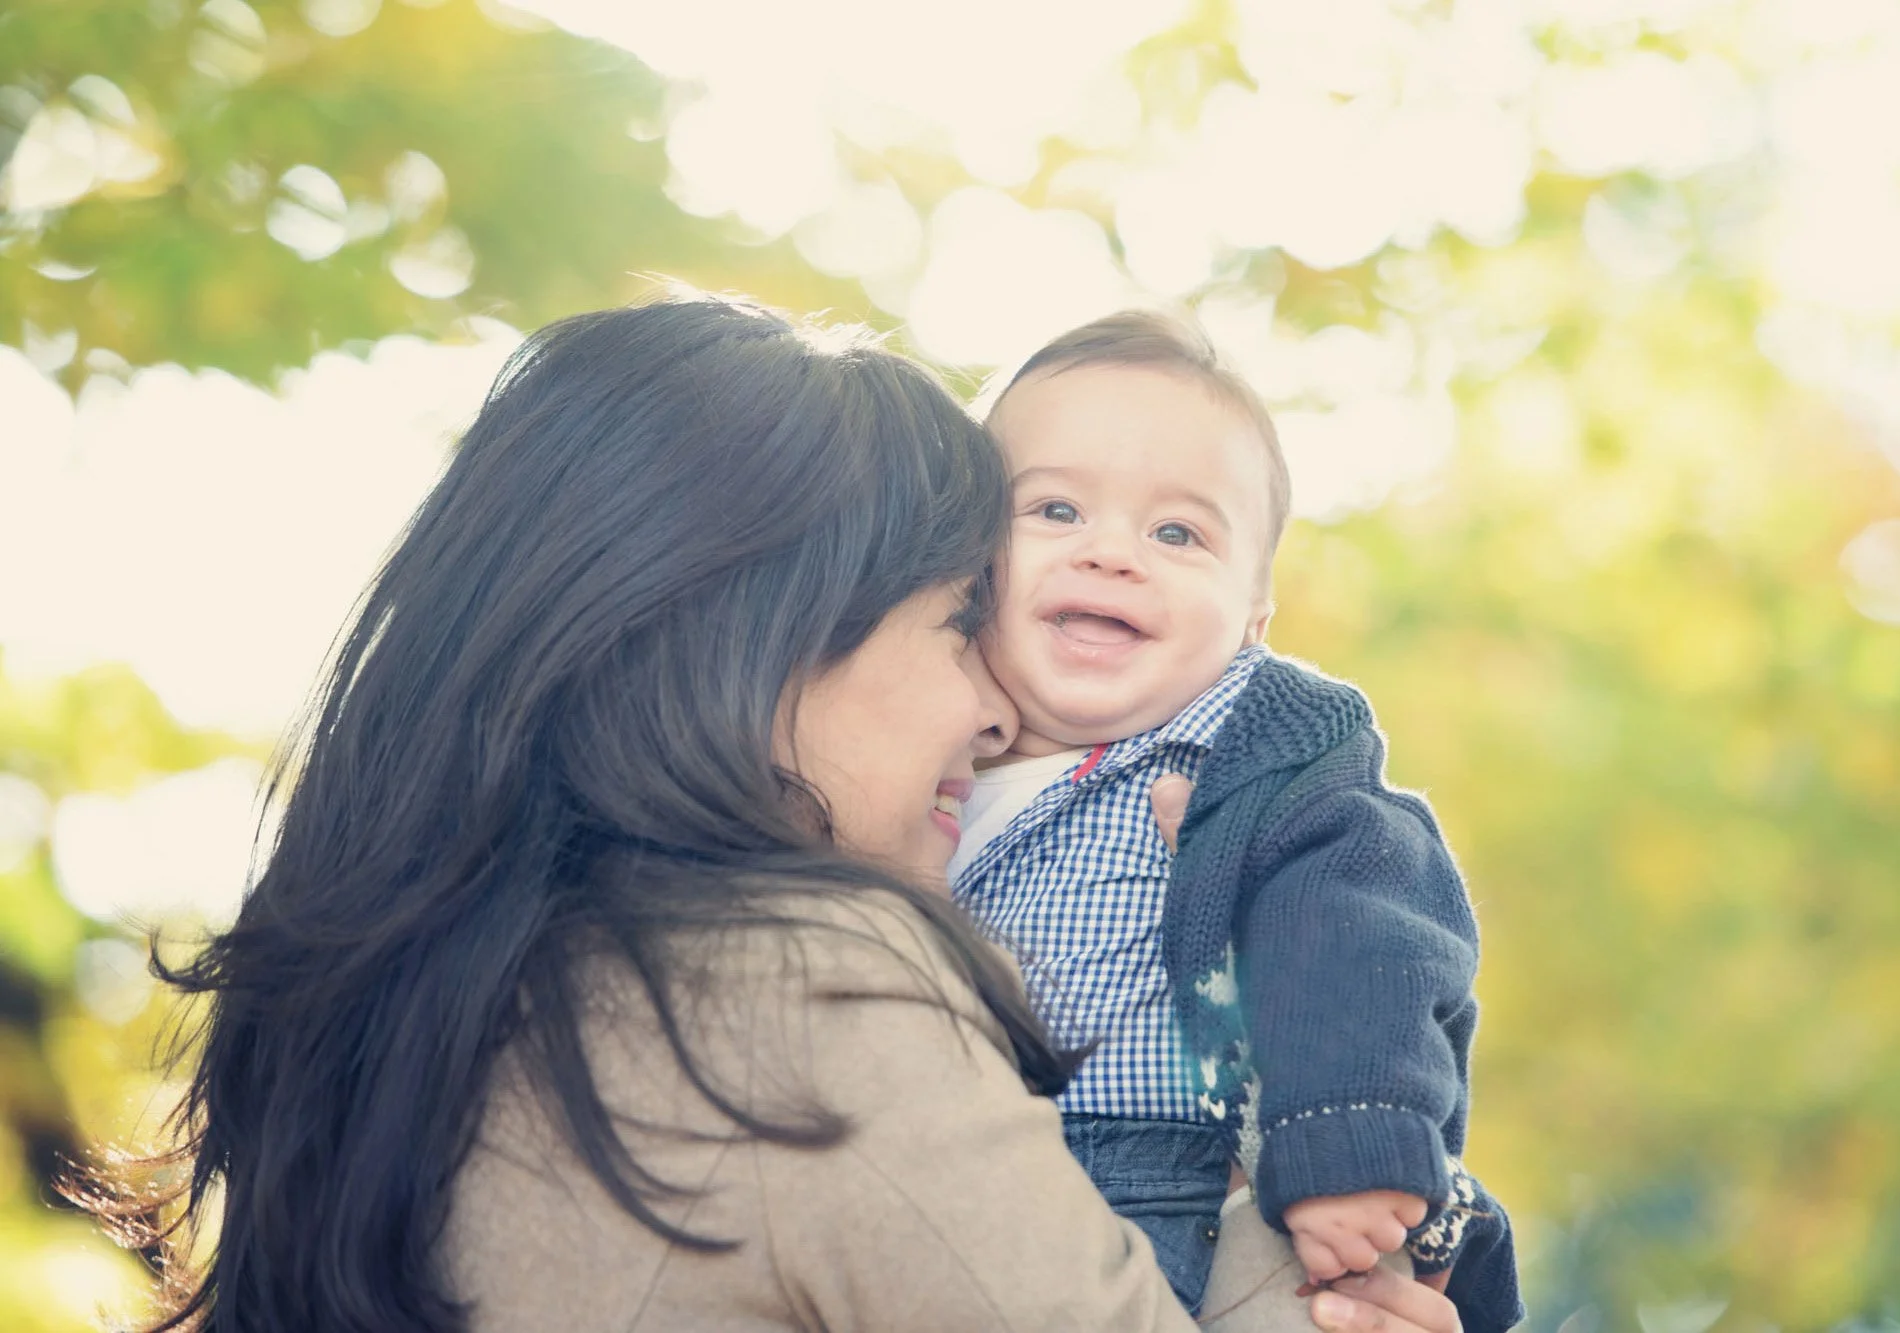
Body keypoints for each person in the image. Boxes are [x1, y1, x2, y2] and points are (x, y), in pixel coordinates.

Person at [78, 293, 1468, 1333]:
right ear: (766, 649)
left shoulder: (426, 1005)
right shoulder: (802, 988)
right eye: (956, 625)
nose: (993, 715)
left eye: (1180, 534)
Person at [947, 310, 1523, 1328]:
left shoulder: (1258, 750)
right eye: (1053, 510)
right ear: (958, 554)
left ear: (1253, 616)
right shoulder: (919, 744)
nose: (1112, 553)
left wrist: (1347, 1139)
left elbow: (1360, 927)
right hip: (948, 1174)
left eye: (1177, 532)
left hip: (1171, 1174)